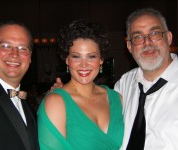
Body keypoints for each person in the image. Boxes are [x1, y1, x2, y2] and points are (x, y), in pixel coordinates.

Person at [51, 8, 178, 150]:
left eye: (155, 34)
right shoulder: (124, 84)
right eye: (138, 37)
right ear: (129, 46)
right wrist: (64, 96)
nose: (147, 42)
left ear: (169, 38)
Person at [37, 19, 124, 150]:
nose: (84, 65)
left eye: (91, 56)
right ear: (67, 60)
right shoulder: (56, 102)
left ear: (101, 60)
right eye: (76, 56)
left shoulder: (117, 99)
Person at [0, 21, 39, 150]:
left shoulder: (27, 106)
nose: (15, 54)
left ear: (30, 57)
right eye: (6, 46)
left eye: (23, 48)